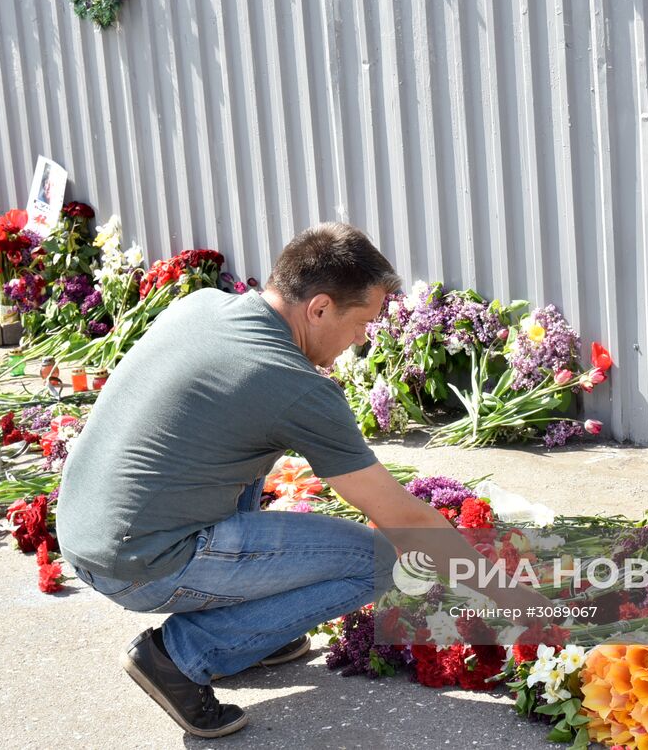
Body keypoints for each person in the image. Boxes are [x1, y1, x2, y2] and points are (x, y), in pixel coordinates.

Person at [56, 223, 549, 738]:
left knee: (242, 447)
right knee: (381, 561)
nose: (364, 338)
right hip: (138, 564)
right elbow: (402, 521)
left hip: (84, 528)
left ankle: (255, 632)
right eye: (362, 323)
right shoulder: (293, 387)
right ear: (319, 308)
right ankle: (180, 656)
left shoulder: (203, 306)